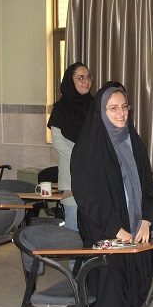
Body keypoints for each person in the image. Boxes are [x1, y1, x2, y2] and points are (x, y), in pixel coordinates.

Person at [60, 86, 153, 307]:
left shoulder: (132, 141)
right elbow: (88, 196)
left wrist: (147, 219)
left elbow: (146, 184)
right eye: (113, 107)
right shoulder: (89, 146)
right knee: (113, 294)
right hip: (105, 233)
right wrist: (116, 228)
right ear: (101, 112)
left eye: (124, 106)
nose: (121, 113)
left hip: (135, 231)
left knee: (134, 289)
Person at [47, 62, 94, 230]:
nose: (86, 81)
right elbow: (58, 141)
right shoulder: (60, 109)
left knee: (93, 229)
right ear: (69, 80)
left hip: (94, 177)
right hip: (71, 175)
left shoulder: (95, 107)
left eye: (88, 77)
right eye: (81, 78)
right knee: (74, 229)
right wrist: (83, 156)